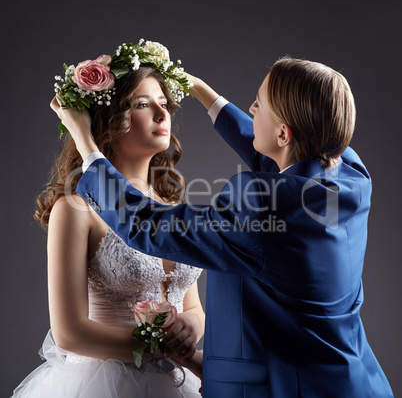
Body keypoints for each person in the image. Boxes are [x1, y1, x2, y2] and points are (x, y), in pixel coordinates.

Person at [52, 57, 394, 397]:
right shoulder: (350, 175)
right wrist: (202, 92)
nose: (250, 108)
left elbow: (144, 224)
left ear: (282, 132)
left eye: (258, 105)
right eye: (143, 104)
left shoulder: (259, 202)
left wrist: (87, 145)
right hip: (355, 381)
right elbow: (293, 151)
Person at [12, 42, 204, 398]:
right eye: (143, 105)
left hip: (180, 381)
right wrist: (168, 350)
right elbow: (69, 333)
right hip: (106, 384)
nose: (162, 115)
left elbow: (192, 305)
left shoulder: (174, 205)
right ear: (109, 120)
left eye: (164, 103)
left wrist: (191, 324)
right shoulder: (75, 210)